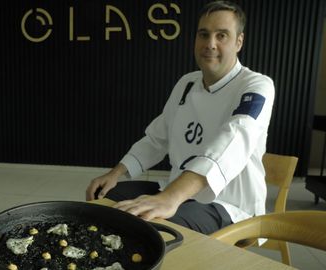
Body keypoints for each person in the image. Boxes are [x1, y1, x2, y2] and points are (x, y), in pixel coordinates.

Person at [86, 0, 275, 235]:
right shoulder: (187, 83)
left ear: (239, 41)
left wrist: (170, 197)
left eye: (222, 35)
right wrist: (115, 174)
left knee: (158, 227)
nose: (210, 44)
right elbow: (157, 137)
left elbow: (233, 141)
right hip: (177, 189)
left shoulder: (256, 85)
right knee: (105, 197)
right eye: (203, 34)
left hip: (229, 205)